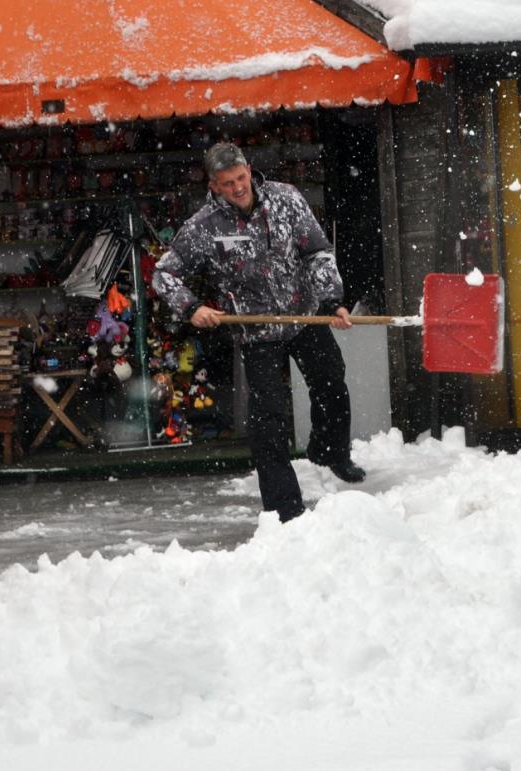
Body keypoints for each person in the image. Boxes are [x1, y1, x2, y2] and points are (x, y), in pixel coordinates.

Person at [152, 142, 364, 523]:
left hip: (304, 315)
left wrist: (332, 301)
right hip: (255, 330)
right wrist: (193, 307)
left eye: (240, 177)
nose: (237, 187)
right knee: (268, 417)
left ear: (249, 169)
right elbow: (163, 274)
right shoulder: (204, 226)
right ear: (213, 186)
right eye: (227, 183)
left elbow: (317, 250)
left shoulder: (286, 199)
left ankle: (330, 452)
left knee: (331, 381)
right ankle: (285, 506)